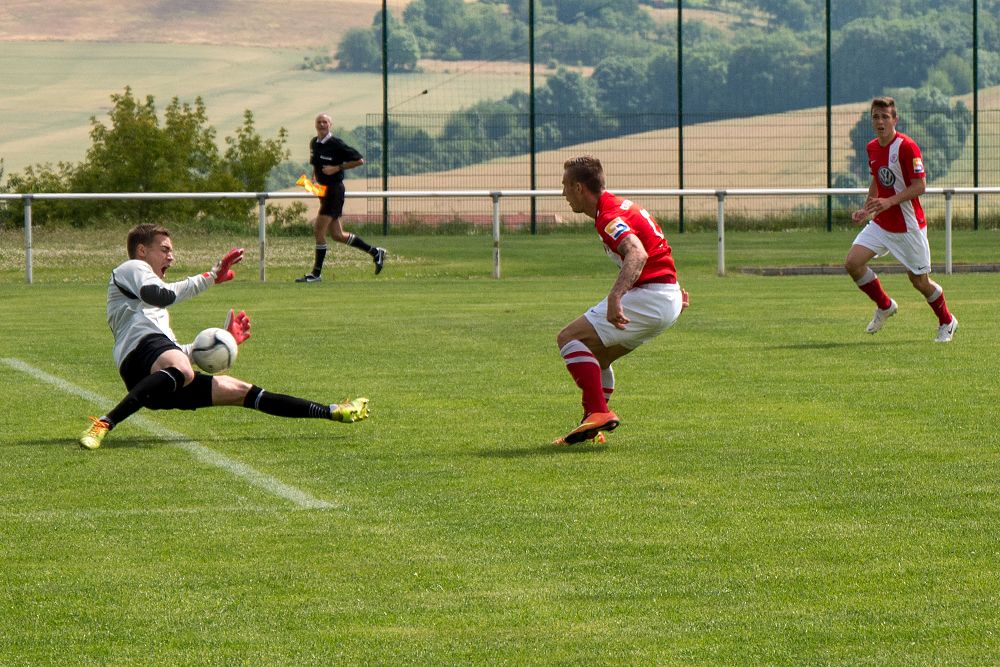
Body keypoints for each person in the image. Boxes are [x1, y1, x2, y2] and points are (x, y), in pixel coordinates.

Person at [78, 224, 369, 449]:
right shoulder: (131, 268)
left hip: (150, 375)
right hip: (139, 356)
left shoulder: (153, 321)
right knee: (181, 369)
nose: (171, 256)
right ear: (142, 251)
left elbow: (174, 352)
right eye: (164, 249)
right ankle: (105, 422)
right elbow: (160, 296)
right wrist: (211, 276)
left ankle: (332, 411)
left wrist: (222, 342)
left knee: (241, 391)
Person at [553, 156, 688, 445]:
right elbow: (656, 248)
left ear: (579, 188)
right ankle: (590, 425)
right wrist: (673, 289)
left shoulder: (609, 216)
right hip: (666, 297)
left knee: (568, 338)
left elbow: (638, 253)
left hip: (654, 295)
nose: (562, 193)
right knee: (597, 355)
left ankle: (599, 412)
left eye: (564, 186)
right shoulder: (620, 207)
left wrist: (616, 296)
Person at [845, 96, 957, 342]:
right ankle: (885, 306)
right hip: (882, 223)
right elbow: (876, 178)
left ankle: (947, 321)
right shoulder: (872, 147)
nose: (880, 121)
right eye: (876, 116)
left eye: (885, 117)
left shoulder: (907, 147)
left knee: (919, 282)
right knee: (852, 263)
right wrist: (866, 210)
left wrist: (889, 201)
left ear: (895, 119)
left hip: (908, 226)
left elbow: (920, 186)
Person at [296, 113, 386, 282]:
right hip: (324, 192)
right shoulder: (314, 143)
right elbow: (316, 164)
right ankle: (375, 252)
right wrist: (313, 180)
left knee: (318, 231)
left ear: (330, 124)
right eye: (319, 122)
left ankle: (316, 274)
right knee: (337, 235)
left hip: (334, 191)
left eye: (325, 122)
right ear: (315, 125)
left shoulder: (336, 144)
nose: (321, 125)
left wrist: (337, 168)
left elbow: (359, 160)